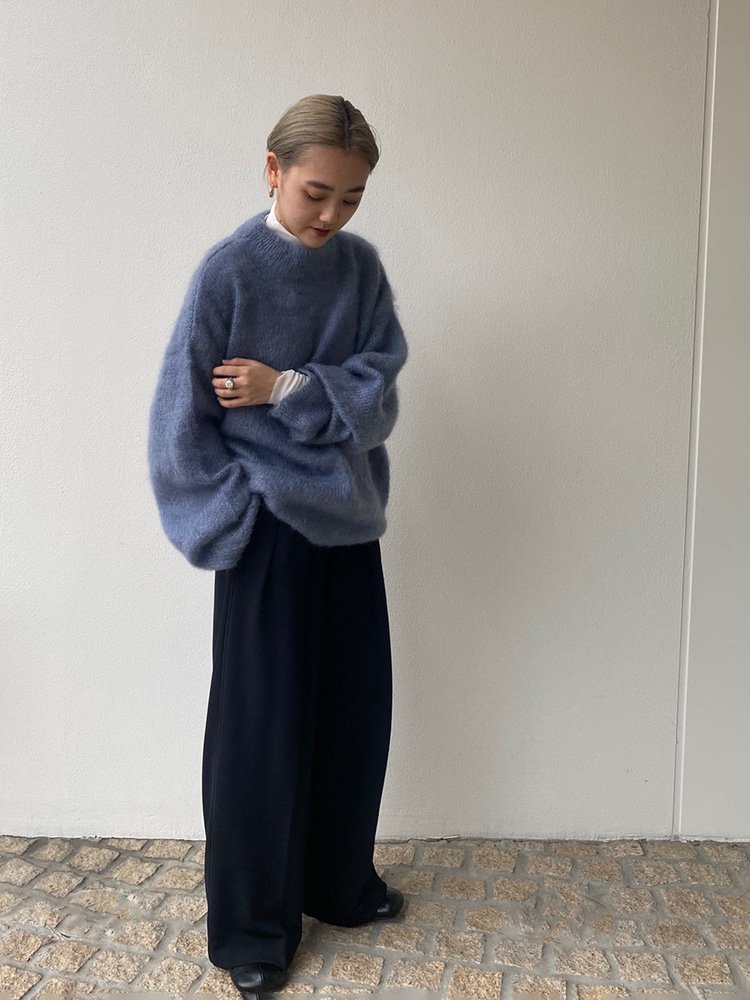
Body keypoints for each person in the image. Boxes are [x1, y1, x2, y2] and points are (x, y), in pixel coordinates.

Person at [146, 94, 409, 1000]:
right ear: (272, 170)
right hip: (267, 531)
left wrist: (287, 386)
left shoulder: (361, 272)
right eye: (315, 193)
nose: (331, 215)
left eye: (352, 198)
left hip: (348, 524)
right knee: (260, 733)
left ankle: (338, 883)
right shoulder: (230, 272)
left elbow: (380, 396)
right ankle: (254, 928)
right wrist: (232, 516)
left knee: (354, 713)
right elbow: (180, 413)